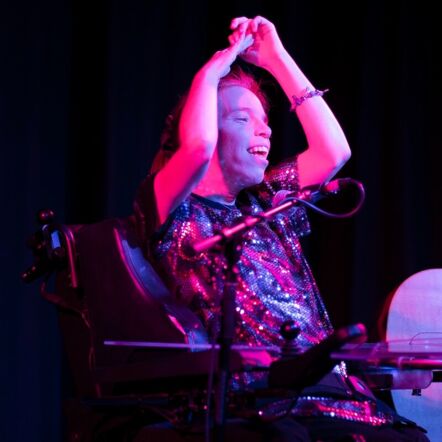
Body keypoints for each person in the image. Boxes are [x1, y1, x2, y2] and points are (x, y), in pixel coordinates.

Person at [134, 16, 428, 441]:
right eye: (241, 119)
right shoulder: (171, 209)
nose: (265, 128)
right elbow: (196, 148)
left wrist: (277, 59)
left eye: (265, 119)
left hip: (333, 400)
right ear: (206, 128)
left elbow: (335, 150)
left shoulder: (267, 204)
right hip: (257, 404)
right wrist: (217, 67)